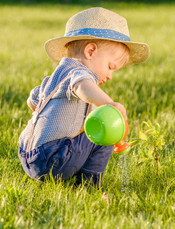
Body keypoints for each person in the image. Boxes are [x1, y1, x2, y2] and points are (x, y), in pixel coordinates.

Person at [18, 7, 150, 187]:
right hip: (53, 158)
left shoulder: (54, 78)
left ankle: (68, 169)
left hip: (28, 155)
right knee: (104, 134)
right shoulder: (78, 73)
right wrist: (109, 104)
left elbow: (32, 101)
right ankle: (88, 185)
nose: (110, 76)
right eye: (110, 67)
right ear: (90, 51)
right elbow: (82, 86)